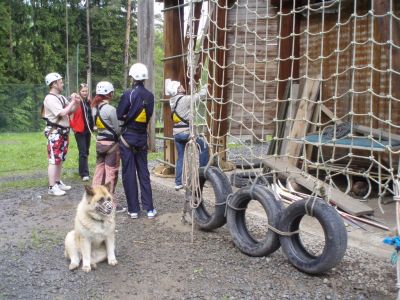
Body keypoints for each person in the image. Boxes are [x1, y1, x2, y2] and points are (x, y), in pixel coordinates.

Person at [117, 63, 156, 219]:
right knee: (143, 173)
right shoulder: (150, 96)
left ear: (132, 77)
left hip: (128, 138)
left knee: (129, 173)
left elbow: (120, 114)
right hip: (141, 138)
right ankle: (149, 209)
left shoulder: (129, 94)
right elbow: (148, 115)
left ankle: (133, 210)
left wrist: (127, 115)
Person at [166, 79, 209, 191]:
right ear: (178, 89)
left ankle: (178, 182)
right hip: (186, 133)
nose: (182, 86)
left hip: (177, 134)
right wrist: (205, 86)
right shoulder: (184, 100)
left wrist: (192, 86)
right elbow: (200, 95)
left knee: (181, 158)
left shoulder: (172, 101)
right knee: (203, 146)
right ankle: (202, 175)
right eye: (180, 86)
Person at [42, 72, 80, 196]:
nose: (62, 84)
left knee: (60, 158)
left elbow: (71, 111)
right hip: (55, 133)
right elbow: (62, 113)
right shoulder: (50, 98)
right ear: (54, 84)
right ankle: (52, 186)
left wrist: (76, 102)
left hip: (63, 132)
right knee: (54, 159)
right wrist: (72, 102)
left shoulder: (61, 97)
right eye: (60, 82)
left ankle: (57, 182)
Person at [91, 81, 126, 213]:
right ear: (109, 94)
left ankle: (94, 200)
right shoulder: (111, 110)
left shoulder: (95, 108)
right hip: (111, 145)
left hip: (100, 143)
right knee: (111, 174)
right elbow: (118, 129)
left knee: (99, 173)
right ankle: (109, 204)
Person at [70, 83, 94, 181]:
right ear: (79, 91)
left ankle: (82, 170)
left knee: (86, 151)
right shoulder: (76, 102)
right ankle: (84, 174)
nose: (85, 93)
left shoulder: (88, 101)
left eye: (86, 91)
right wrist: (73, 127)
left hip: (88, 130)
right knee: (83, 151)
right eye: (83, 91)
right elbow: (69, 114)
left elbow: (90, 115)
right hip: (79, 130)